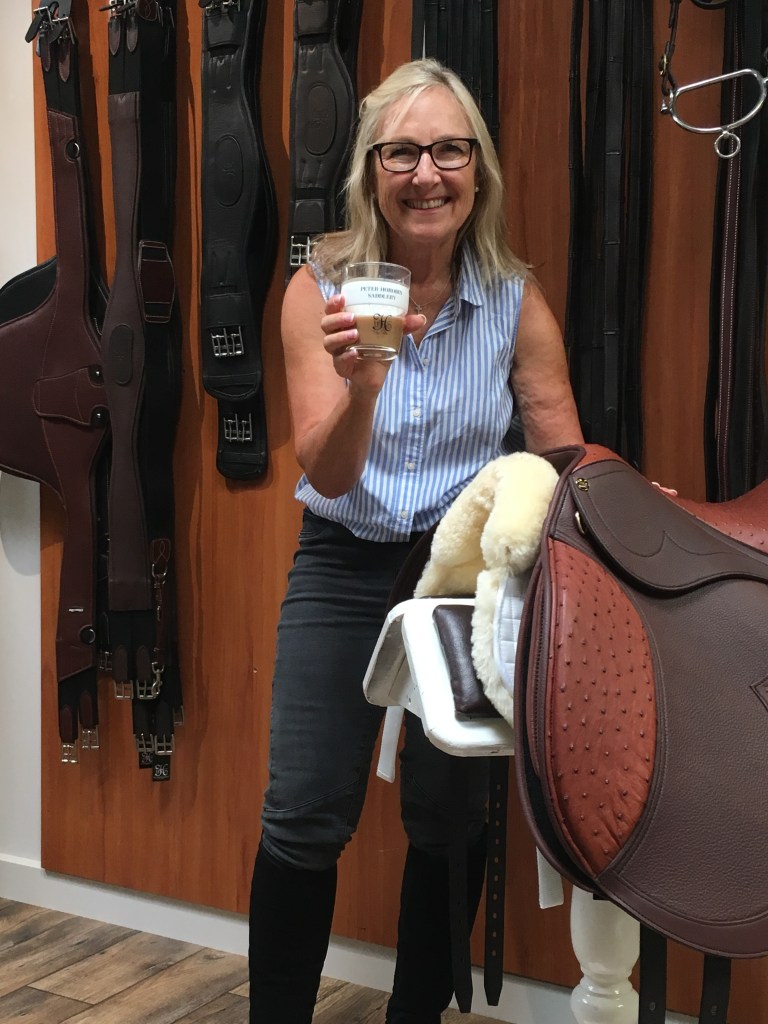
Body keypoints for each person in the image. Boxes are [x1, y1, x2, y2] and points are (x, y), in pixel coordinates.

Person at [248, 58, 584, 1024]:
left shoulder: (513, 300)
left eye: (448, 150)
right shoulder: (320, 291)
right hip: (344, 565)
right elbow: (329, 474)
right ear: (371, 169)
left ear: (478, 169)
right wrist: (364, 385)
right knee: (305, 812)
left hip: (461, 578)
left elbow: (560, 456)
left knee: (448, 821)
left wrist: (623, 504)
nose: (426, 173)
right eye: (402, 152)